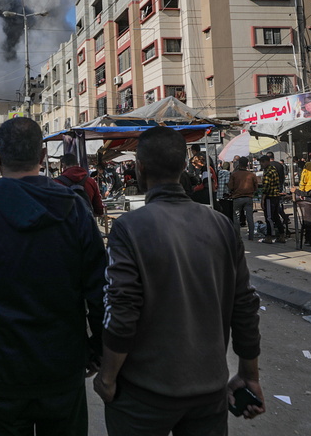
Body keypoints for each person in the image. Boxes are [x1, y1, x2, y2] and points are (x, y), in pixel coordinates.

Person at [96, 127, 263, 435]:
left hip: (143, 394)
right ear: (184, 167)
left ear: (141, 168)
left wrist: (107, 376)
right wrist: (249, 374)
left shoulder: (129, 229)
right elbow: (245, 303)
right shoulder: (221, 225)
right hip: (209, 390)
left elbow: (121, 310)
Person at [0, 118, 106, 435]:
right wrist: (98, 348)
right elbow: (99, 290)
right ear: (41, 158)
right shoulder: (76, 210)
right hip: (62, 364)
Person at [229, 157, 260, 240]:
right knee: (250, 217)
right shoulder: (252, 175)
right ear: (247, 164)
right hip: (248, 198)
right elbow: (256, 188)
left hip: (237, 198)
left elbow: (230, 187)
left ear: (239, 164)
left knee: (236, 217)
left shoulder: (234, 175)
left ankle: (237, 236)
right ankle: (251, 236)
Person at [258, 156, 286, 243]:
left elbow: (266, 187)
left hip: (270, 197)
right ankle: (281, 235)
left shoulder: (268, 172)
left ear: (266, 162)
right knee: (276, 217)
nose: (261, 165)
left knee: (269, 218)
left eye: (262, 163)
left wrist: (262, 199)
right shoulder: (274, 170)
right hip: (276, 196)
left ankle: (269, 236)